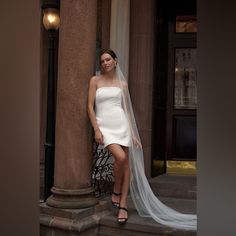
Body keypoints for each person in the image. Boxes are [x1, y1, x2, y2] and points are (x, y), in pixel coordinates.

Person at [87, 49, 197, 230]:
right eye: (102, 61)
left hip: (121, 125)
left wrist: (132, 133)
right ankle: (116, 190)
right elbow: (90, 108)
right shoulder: (95, 81)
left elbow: (126, 111)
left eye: (108, 59)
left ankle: (122, 206)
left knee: (126, 164)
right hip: (105, 126)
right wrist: (96, 129)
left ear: (115, 61)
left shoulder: (122, 84)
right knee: (120, 159)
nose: (105, 63)